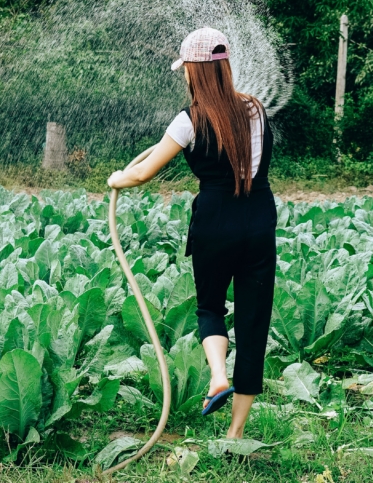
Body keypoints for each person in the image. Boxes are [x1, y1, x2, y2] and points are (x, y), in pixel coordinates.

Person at [107, 27, 276, 440]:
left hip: (215, 221)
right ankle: (235, 434)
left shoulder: (189, 120)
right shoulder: (255, 109)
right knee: (254, 322)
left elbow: (144, 172)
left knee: (210, 307)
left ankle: (218, 375)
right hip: (258, 219)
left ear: (195, 73)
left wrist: (117, 178)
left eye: (186, 70)